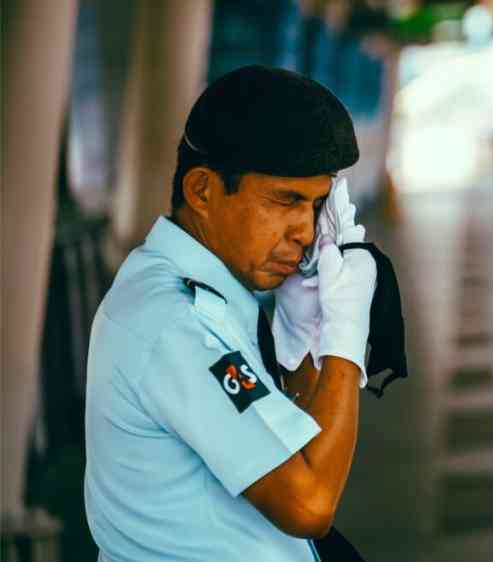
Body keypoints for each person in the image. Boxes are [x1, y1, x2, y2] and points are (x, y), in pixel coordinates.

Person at [84, 65, 374, 561]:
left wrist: (304, 343)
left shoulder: (207, 296)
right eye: (285, 201)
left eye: (316, 205)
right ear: (201, 191)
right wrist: (344, 339)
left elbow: (294, 447)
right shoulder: (176, 322)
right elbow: (309, 504)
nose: (305, 231)